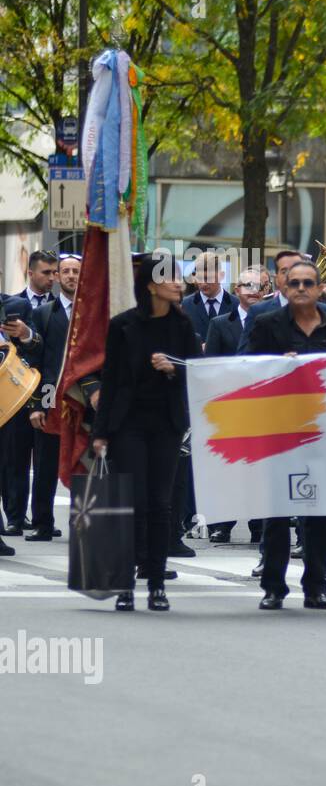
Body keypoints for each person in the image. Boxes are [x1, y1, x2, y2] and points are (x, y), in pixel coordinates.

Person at [91, 253, 203, 612]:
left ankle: (156, 583)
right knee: (131, 502)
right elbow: (111, 379)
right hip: (128, 425)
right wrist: (102, 430)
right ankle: (124, 585)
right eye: (170, 277)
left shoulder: (182, 327)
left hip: (166, 425)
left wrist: (173, 369)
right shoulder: (123, 325)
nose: (178, 283)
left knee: (160, 504)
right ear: (152, 285)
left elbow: (196, 374)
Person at [247, 260, 326, 610]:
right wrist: (278, 368)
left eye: (309, 283)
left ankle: (317, 587)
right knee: (276, 513)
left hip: (321, 432)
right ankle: (273, 586)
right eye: (295, 283)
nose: (302, 289)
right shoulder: (266, 325)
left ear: (320, 289)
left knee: (319, 513)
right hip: (279, 429)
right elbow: (245, 371)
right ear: (285, 288)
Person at [203, 270, 266, 545]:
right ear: (236, 289)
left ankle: (259, 524)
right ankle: (222, 524)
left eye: (260, 285)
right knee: (227, 467)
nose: (253, 290)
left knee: (260, 469)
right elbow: (211, 364)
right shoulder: (219, 324)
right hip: (229, 404)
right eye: (247, 285)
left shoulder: (274, 322)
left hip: (264, 405)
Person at [22, 254, 81, 542]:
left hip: (84, 400)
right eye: (65, 271)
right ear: (57, 277)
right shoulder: (45, 313)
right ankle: (42, 523)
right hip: (51, 397)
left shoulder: (93, 315)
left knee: (84, 462)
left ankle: (84, 522)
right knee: (45, 464)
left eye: (75, 271)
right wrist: (37, 405)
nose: (70, 275)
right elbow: (37, 361)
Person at [2, 252, 51, 536]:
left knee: (30, 459)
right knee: (10, 459)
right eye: (47, 272)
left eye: (53, 272)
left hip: (28, 392)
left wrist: (24, 334)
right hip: (8, 396)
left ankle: (28, 518)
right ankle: (13, 516)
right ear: (30, 272)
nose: (53, 277)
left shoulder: (15, 307)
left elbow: (44, 351)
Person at [180, 251, 234, 346]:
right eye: (200, 278)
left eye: (209, 278)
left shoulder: (236, 305)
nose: (204, 283)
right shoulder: (186, 305)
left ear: (221, 275)